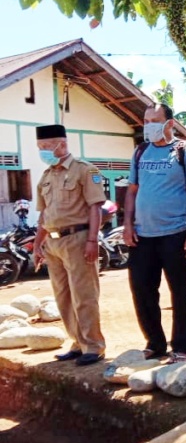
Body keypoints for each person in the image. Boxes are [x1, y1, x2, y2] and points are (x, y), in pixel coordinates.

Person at [123, 103, 186, 364]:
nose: (149, 125)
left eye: (155, 120)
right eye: (146, 120)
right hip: (141, 236)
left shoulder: (185, 153)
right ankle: (155, 344)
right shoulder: (140, 152)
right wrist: (127, 224)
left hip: (175, 233)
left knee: (180, 293)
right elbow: (132, 191)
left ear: (170, 124)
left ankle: (181, 348)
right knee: (142, 290)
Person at [32, 124, 107, 366]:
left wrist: (93, 240)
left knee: (84, 295)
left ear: (62, 145)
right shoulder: (45, 176)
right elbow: (43, 215)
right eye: (39, 147)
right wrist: (36, 245)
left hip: (78, 240)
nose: (42, 151)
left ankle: (93, 346)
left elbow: (96, 207)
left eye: (46, 147)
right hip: (52, 244)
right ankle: (77, 342)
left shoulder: (85, 170)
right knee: (63, 297)